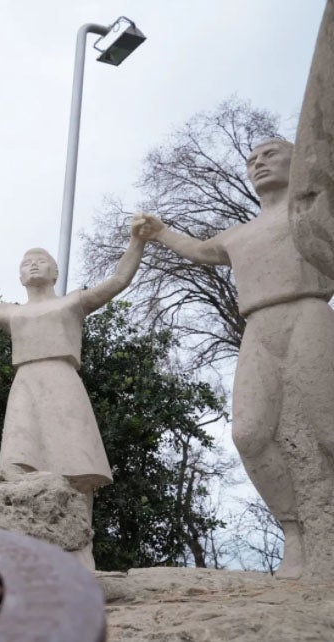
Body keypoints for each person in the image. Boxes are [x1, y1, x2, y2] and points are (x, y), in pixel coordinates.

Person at [134, 137, 334, 580]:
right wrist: (159, 231)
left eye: (270, 154)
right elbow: (201, 251)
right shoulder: (239, 234)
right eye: (251, 160)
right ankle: (294, 531)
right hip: (259, 328)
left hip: (308, 313)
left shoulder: (315, 212)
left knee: (327, 427)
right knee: (249, 434)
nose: (258, 163)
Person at [0, 224, 145, 570]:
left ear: (55, 271)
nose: (32, 264)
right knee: (18, 468)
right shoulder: (11, 312)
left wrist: (137, 241)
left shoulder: (72, 302)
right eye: (26, 262)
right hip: (26, 386)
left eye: (40, 260)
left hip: (63, 382)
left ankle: (80, 549)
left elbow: (118, 280)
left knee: (75, 469)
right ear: (18, 276)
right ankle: (26, 551)